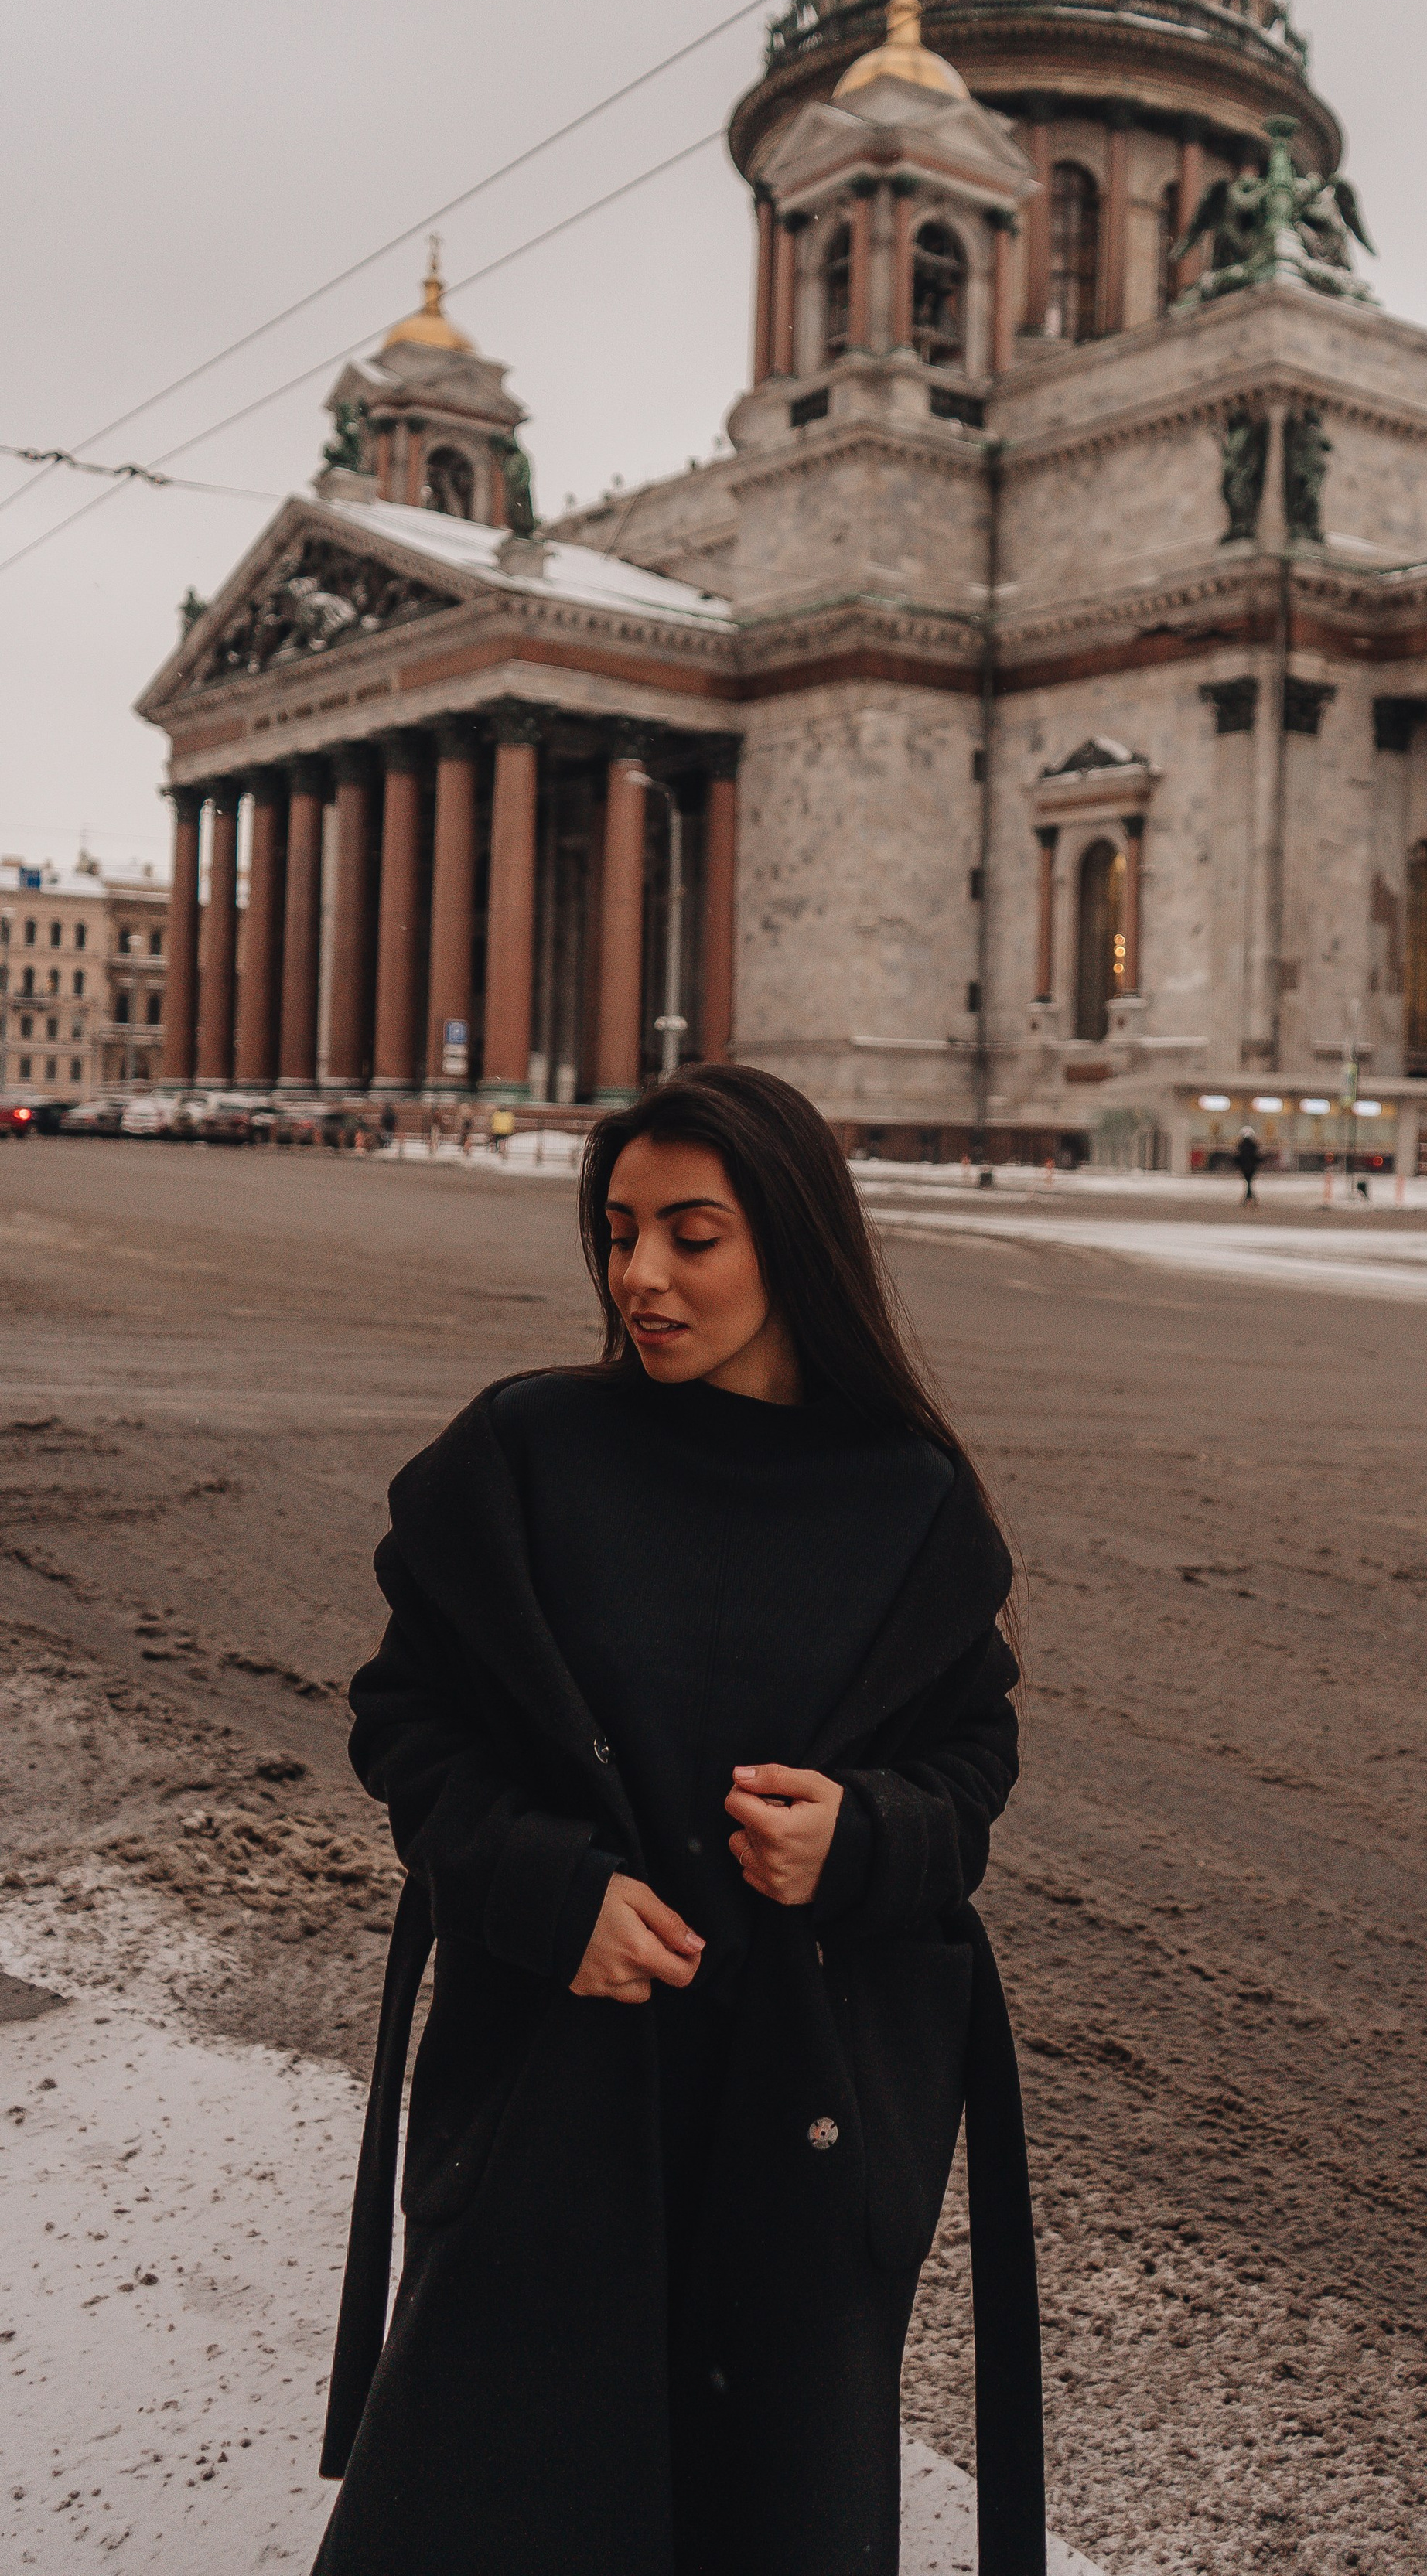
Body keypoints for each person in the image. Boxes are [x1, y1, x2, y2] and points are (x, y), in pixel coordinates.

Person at [312, 1066, 1043, 2576]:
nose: (639, 1276)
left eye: (690, 1235)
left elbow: (969, 1766)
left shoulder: (908, 1505)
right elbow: (404, 1719)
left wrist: (863, 1838)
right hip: (550, 2121)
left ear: (792, 1242)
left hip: (798, 2143)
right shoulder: (525, 1458)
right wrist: (539, 1887)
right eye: (618, 1232)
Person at [1235, 1123, 1262, 1205]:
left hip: (1244, 1167)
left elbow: (1238, 1157)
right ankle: (1250, 1198)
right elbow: (1257, 1157)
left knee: (1248, 1183)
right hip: (1252, 1167)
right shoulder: (1254, 1145)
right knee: (1249, 1183)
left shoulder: (1241, 1145)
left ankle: (1249, 1198)